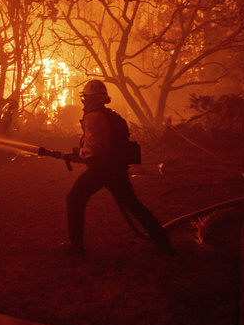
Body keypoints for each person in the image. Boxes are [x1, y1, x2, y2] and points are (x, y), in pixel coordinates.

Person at [61, 80, 173, 258]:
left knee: (74, 199)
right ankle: (162, 239)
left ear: (89, 99)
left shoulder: (92, 116)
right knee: (132, 203)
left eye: (85, 98)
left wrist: (79, 154)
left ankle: (76, 247)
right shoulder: (111, 116)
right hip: (117, 168)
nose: (84, 102)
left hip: (101, 169)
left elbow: (93, 147)